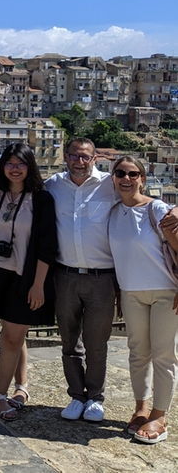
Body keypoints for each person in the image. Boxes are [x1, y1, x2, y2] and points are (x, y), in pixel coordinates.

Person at [0, 143, 56, 421]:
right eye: (9, 163)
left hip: (25, 276)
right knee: (13, 333)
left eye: (20, 163)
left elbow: (47, 245)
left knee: (10, 337)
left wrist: (39, 285)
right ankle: (21, 387)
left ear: (30, 166)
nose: (14, 168)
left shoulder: (41, 199)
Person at [45, 137, 119, 423]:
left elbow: (141, 200)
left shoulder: (110, 185)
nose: (79, 161)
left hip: (102, 277)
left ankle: (96, 398)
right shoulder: (54, 185)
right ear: (66, 156)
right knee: (69, 340)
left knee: (96, 343)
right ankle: (77, 395)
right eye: (74, 156)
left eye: (85, 157)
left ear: (94, 158)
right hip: (65, 275)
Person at [108, 156, 178, 444]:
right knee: (138, 354)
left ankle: (160, 416)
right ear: (113, 177)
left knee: (163, 356)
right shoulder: (112, 212)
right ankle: (141, 408)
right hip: (131, 292)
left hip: (165, 291)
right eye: (120, 173)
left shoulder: (157, 208)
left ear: (143, 178)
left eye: (133, 173)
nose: (126, 178)